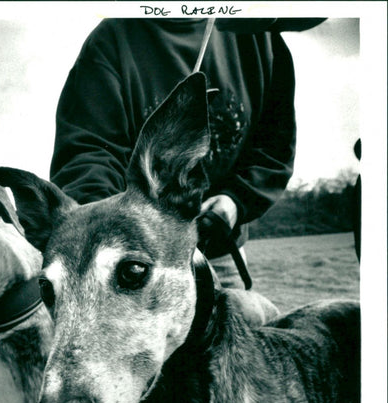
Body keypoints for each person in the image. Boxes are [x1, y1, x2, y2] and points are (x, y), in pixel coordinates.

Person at [50, 18, 325, 288]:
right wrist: (123, 238)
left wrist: (235, 202)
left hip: (221, 257)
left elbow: (273, 150)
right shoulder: (110, 40)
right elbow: (89, 151)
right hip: (131, 265)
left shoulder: (258, 32)